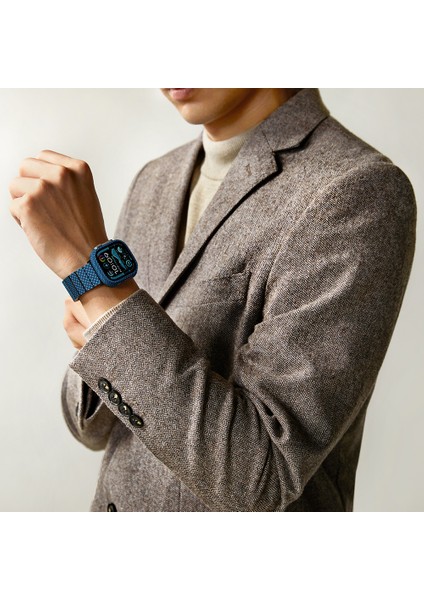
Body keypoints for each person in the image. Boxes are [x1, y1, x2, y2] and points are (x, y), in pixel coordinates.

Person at [9, 88, 416, 512]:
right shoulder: (155, 179)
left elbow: (261, 478)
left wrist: (92, 279)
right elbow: (90, 428)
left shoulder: (357, 190)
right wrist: (107, 318)